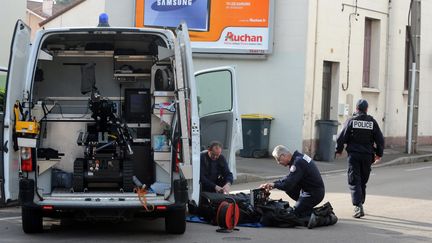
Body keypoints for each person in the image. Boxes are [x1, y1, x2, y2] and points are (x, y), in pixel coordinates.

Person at [336, 99, 384, 218]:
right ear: (367, 109)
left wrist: (339, 150)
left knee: (354, 180)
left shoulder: (351, 121)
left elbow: (341, 137)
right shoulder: (372, 122)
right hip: (367, 156)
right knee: (362, 180)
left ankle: (358, 206)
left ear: (356, 109)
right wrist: (379, 154)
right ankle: (360, 203)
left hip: (354, 156)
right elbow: (380, 139)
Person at [260, 145, 325, 222]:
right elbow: (289, 178)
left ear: (283, 156)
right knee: (289, 189)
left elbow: (287, 184)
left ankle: (324, 213)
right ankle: (303, 207)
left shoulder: (298, 162)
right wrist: (272, 184)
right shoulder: (298, 158)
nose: (278, 163)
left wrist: (274, 185)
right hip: (311, 191)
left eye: (278, 160)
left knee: (294, 214)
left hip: (313, 194)